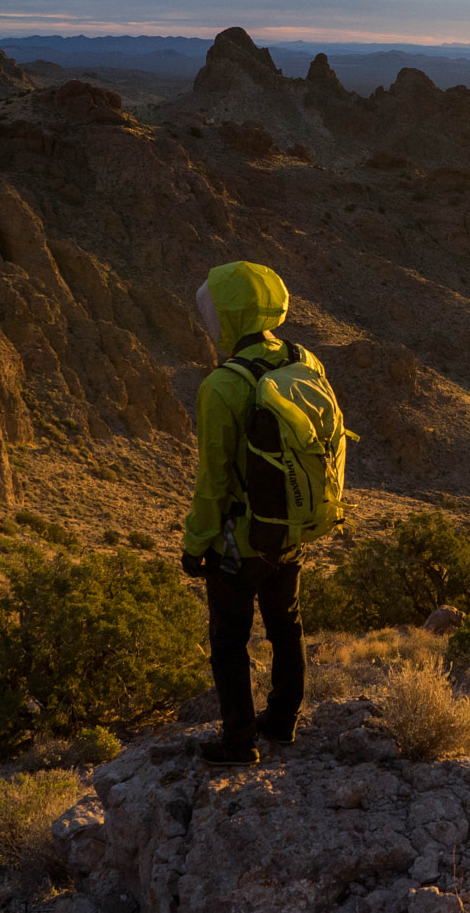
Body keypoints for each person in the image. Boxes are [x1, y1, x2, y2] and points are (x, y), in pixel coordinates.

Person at [180, 260, 305, 766]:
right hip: (292, 527)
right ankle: (282, 722)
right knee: (285, 624)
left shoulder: (222, 386)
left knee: (229, 639)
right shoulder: (303, 360)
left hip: (240, 538)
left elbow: (212, 480)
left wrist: (195, 543)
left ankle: (237, 742)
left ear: (229, 315)